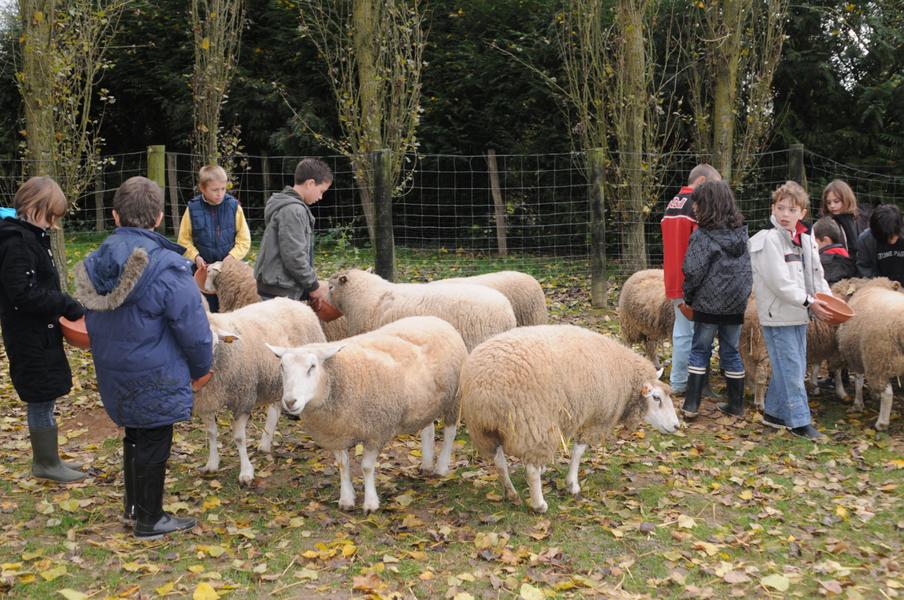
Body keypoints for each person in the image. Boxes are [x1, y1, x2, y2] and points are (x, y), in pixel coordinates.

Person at [75, 176, 212, 538]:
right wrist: (202, 368)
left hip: (114, 369)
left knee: (135, 435)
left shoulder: (97, 263)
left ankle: (134, 509)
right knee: (153, 438)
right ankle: (150, 519)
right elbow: (193, 326)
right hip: (155, 371)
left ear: (115, 216)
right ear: (159, 218)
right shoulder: (167, 267)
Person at [0, 177, 86, 482]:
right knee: (39, 397)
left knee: (45, 396)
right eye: (50, 215)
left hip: (41, 333)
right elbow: (22, 294)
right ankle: (45, 463)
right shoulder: (18, 243)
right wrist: (63, 303)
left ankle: (50, 458)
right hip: (28, 337)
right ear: (33, 208)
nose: (53, 224)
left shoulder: (33, 238)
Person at [748, 181, 833, 441]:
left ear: (802, 213)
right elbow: (779, 283)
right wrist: (809, 302)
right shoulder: (767, 241)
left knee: (789, 366)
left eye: (791, 209)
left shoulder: (807, 241)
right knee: (793, 369)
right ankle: (799, 422)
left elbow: (817, 275)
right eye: (780, 208)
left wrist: (827, 299)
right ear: (773, 208)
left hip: (799, 314)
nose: (785, 214)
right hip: (778, 316)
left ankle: (773, 413)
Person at [680, 180, 752, 418]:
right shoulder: (741, 235)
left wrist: (688, 296)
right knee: (731, 351)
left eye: (697, 204)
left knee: (700, 350)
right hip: (735, 305)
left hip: (708, 305)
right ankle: (736, 405)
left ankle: (691, 405)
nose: (694, 209)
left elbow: (693, 270)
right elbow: (747, 272)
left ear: (707, 205)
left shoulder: (703, 236)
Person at [661, 163, 721, 396]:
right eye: (714, 186)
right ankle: (690, 383)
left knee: (681, 331)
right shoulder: (696, 207)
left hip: (673, 277)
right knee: (693, 333)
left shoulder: (673, 203)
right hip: (692, 280)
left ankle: (678, 381)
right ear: (703, 182)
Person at [254, 158, 332, 308]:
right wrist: (313, 286)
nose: (321, 197)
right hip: (280, 289)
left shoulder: (286, 205)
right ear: (310, 183)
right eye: (321, 191)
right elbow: (294, 255)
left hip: (278, 284)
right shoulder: (293, 211)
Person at [177, 164, 251, 312]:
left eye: (223, 189)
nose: (220, 194)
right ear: (203, 188)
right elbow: (183, 240)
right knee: (204, 311)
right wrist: (195, 256)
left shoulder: (234, 207)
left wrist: (232, 257)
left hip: (229, 272)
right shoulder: (192, 209)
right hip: (202, 272)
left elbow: (244, 240)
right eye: (215, 190)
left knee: (230, 311)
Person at [855, 204, 904, 285]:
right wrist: (882, 286)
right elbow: (865, 268)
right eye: (885, 237)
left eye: (893, 235)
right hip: (880, 287)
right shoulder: (865, 240)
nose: (891, 241)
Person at [819, 180, 864, 262]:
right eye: (829, 203)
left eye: (836, 201)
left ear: (846, 199)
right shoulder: (828, 223)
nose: (832, 206)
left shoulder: (859, 219)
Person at [813, 217, 858, 284]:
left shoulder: (824, 261)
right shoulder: (847, 256)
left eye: (814, 240)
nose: (812, 244)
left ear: (825, 240)